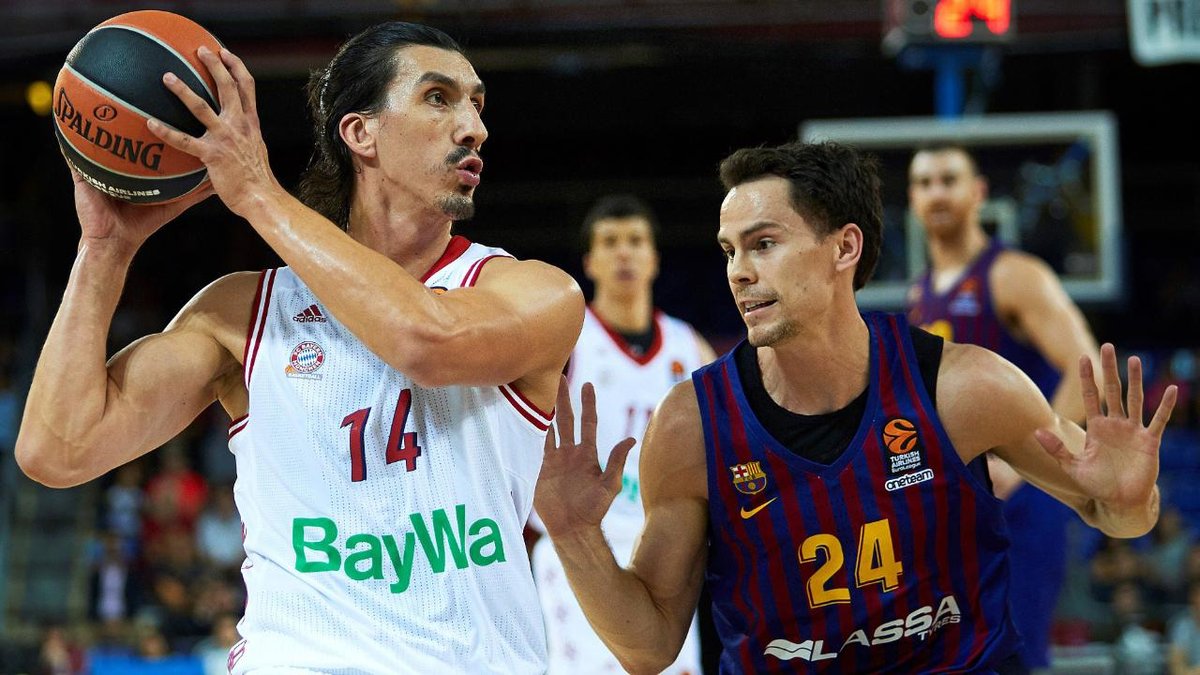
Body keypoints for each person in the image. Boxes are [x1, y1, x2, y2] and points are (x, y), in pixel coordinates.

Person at [16, 22, 583, 673]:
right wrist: (105, 251)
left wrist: (259, 193)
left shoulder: (535, 293)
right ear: (360, 133)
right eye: (439, 97)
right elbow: (57, 449)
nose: (474, 127)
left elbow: (426, 343)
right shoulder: (243, 313)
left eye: (477, 105)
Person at [534, 140, 1178, 674]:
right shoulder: (691, 425)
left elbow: (1119, 514)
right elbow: (649, 649)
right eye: (730, 251)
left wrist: (1130, 499)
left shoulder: (965, 388)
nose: (738, 272)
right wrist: (573, 535)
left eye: (763, 244)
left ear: (845, 248)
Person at [906, 142, 1103, 672]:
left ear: (979, 193)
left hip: (1019, 503)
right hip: (957, 505)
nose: (936, 193)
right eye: (924, 183)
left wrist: (1023, 463)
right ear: (912, 199)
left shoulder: (1013, 274)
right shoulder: (920, 293)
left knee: (1016, 656)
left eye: (949, 180)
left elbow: (1088, 368)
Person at [528, 194, 716, 674]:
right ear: (590, 262)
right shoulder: (564, 341)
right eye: (610, 242)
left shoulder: (689, 345)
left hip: (665, 549)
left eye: (635, 241)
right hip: (581, 543)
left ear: (654, 258)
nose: (624, 253)